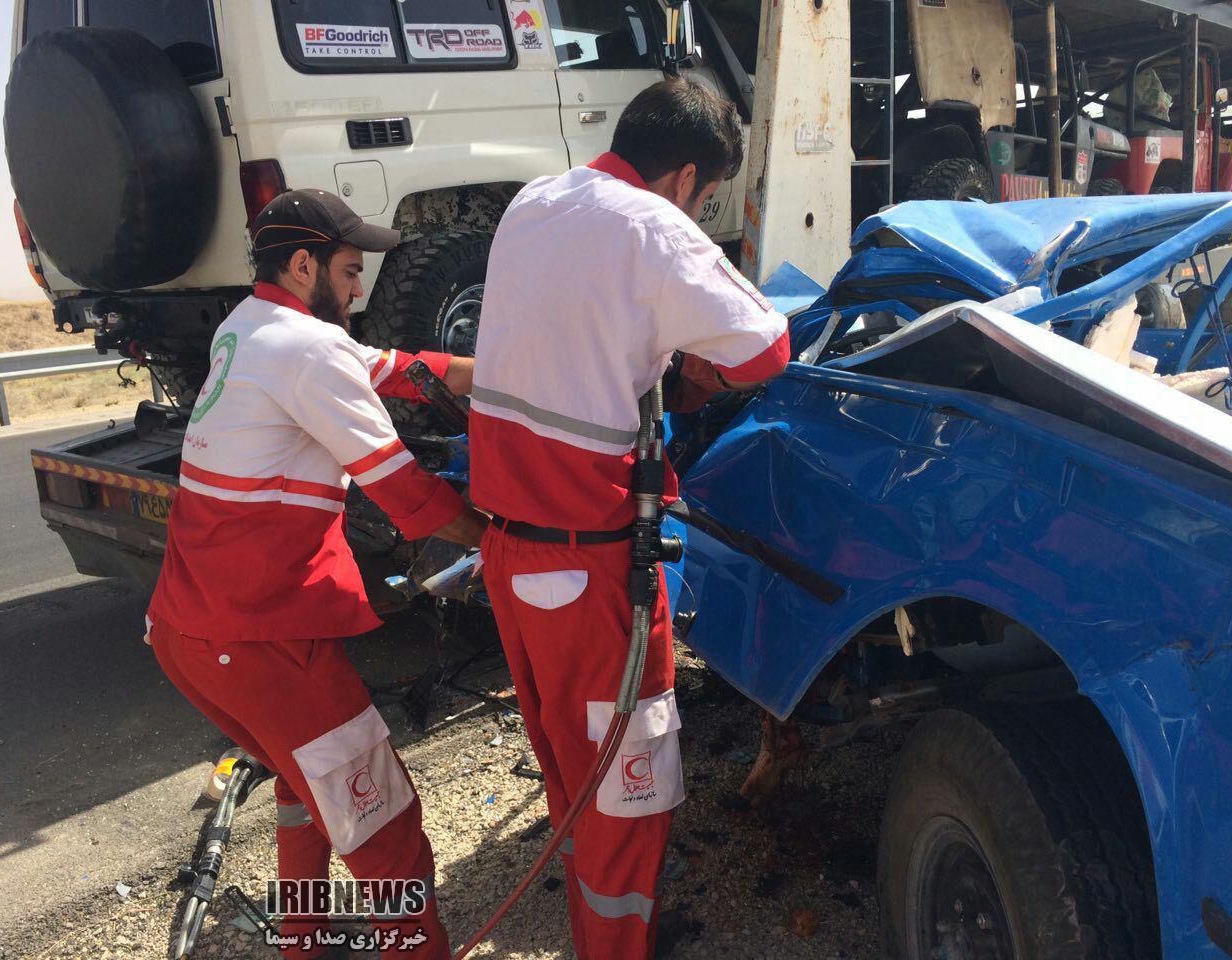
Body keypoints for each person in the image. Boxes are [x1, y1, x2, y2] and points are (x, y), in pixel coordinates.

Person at [469, 79, 790, 958]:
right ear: (686, 177)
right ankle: (616, 944)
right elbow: (768, 347)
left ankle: (600, 919)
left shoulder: (541, 197)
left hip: (511, 553)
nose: (705, 210)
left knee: (574, 771)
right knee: (630, 788)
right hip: (588, 570)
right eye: (711, 196)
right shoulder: (654, 225)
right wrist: (694, 366)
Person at [146, 188, 486, 959]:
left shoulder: (249, 327)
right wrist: (501, 538)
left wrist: (495, 369)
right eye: (349, 267)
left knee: (305, 789)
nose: (361, 285)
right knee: (387, 828)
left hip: (189, 634)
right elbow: (409, 497)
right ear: (305, 265)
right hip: (261, 641)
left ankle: (301, 940)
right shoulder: (308, 348)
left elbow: (396, 367)